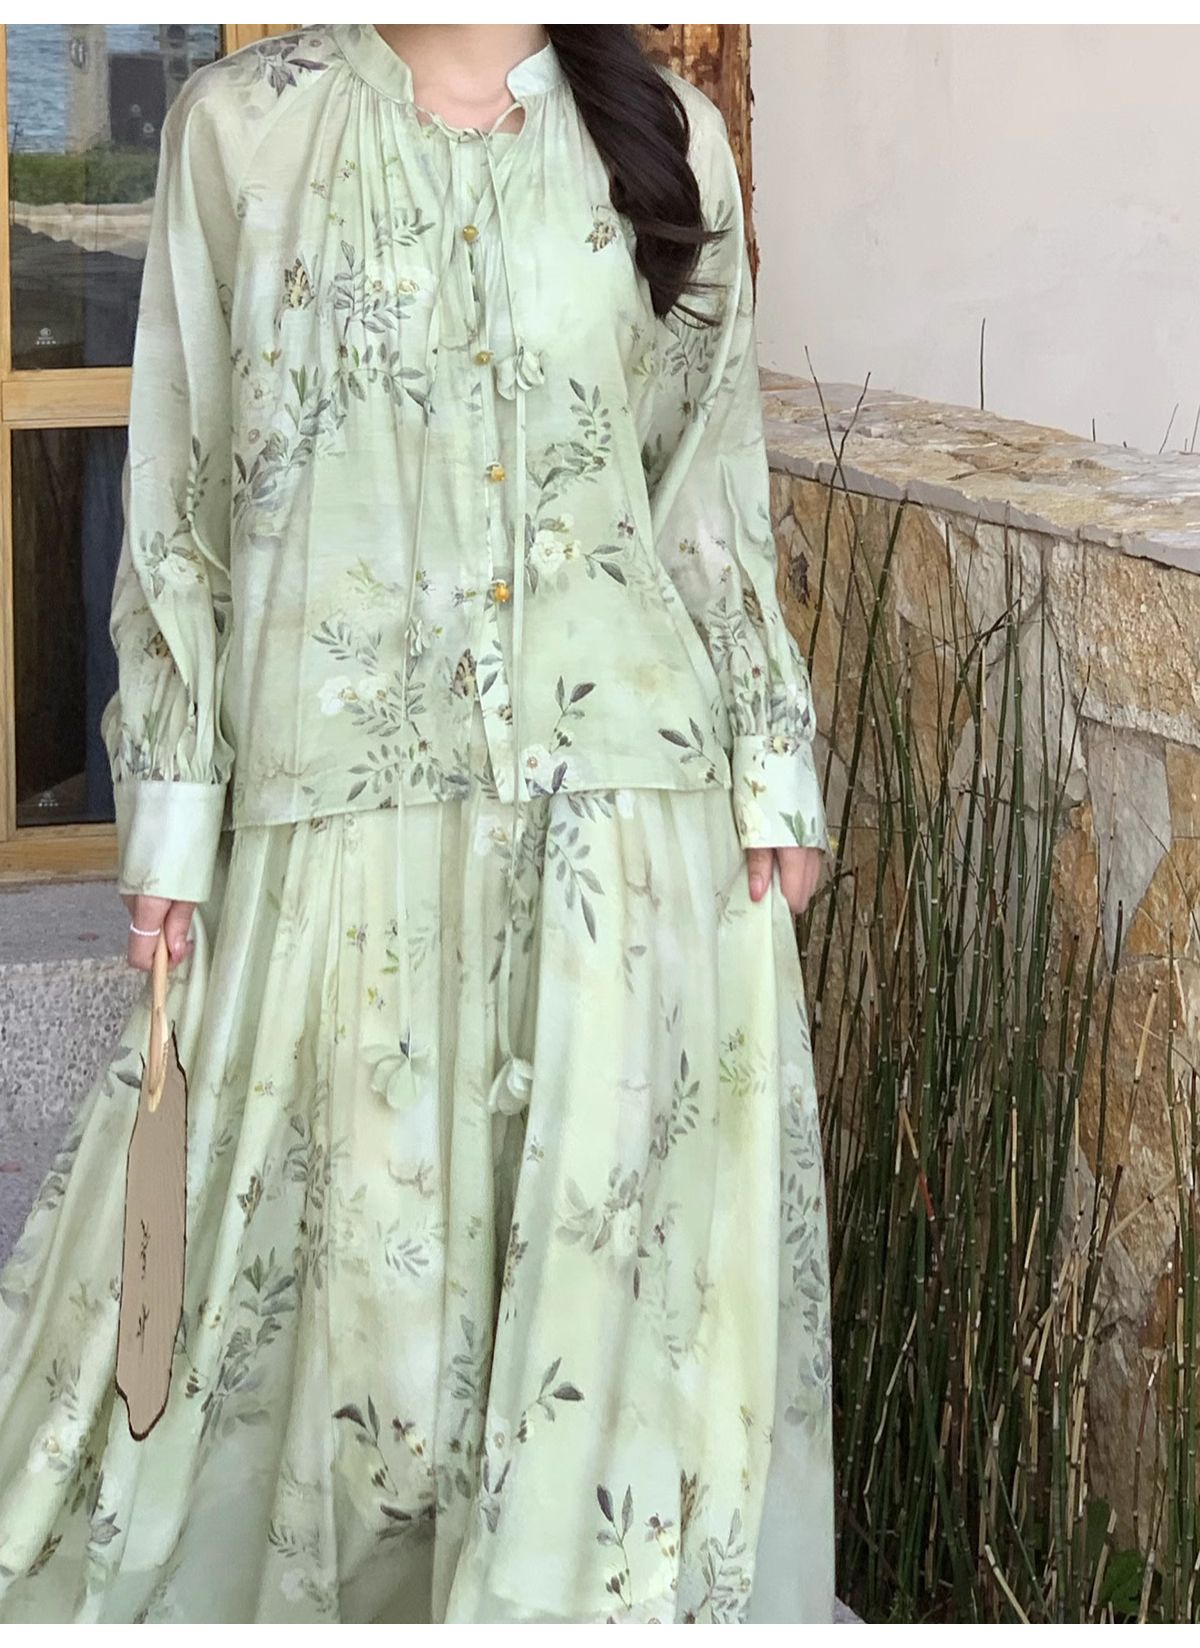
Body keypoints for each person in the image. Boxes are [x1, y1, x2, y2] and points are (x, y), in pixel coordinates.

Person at [0, 24, 833, 1623]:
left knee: (602, 1337)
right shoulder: (239, 131)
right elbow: (182, 499)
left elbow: (707, 486)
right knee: (346, 1341)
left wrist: (768, 764)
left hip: (622, 840)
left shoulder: (670, 141)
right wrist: (172, 809)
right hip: (336, 832)